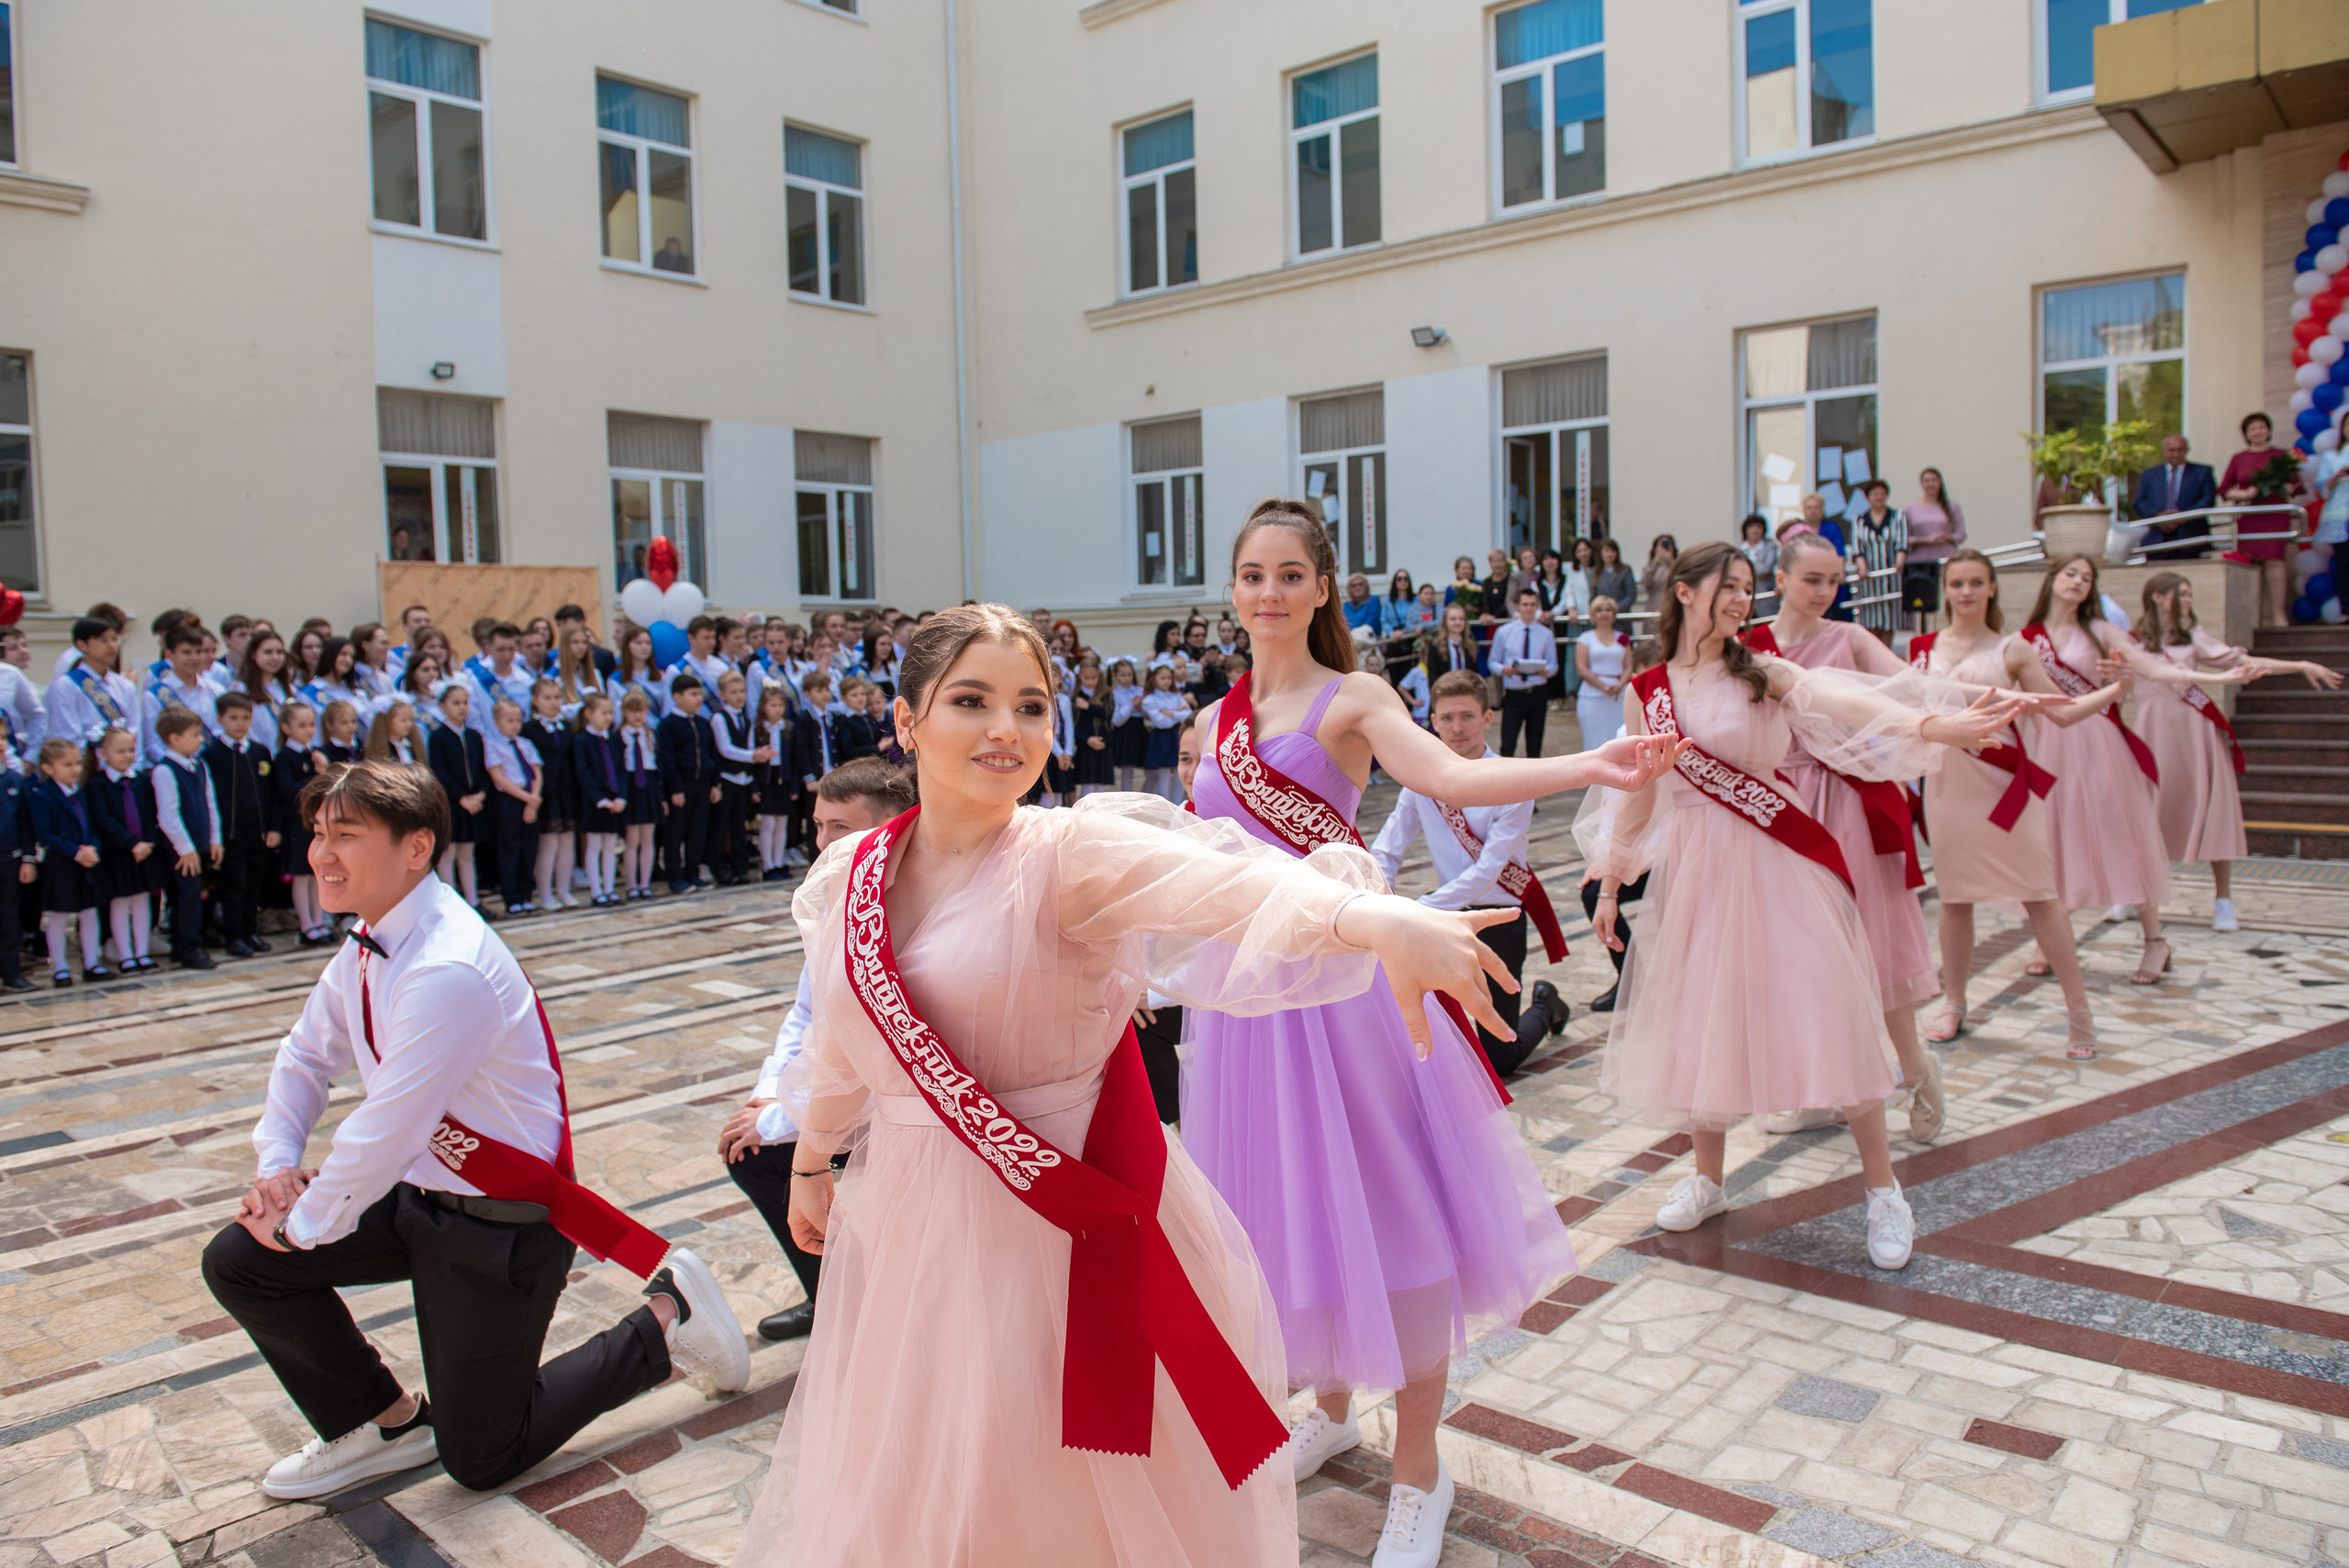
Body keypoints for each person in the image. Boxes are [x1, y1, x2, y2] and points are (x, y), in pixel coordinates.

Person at [737, 605, 1527, 1568]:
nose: (1006, 729)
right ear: (905, 722)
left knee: (1060, 1491)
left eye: (1031, 706)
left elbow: (1235, 888)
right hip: (916, 1224)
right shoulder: (846, 878)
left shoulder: (1067, 852)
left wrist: (1371, 919)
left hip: (1064, 1222)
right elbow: (844, 1048)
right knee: (935, 1474)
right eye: (972, 700)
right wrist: (813, 1161)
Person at [1184, 500, 1677, 1565]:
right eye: (1248, 573)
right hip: (1240, 1008)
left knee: (1389, 1217)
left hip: (1341, 995)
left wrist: (1587, 768)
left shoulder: (1351, 696)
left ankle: (1419, 1471)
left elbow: (1452, 776)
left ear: (1321, 589)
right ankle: (1326, 1404)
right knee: (1283, 1215)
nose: (1265, 592)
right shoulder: (1216, 715)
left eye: (1286, 574)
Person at [200, 762, 748, 1502]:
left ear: (416, 847)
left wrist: (302, 1224)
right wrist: (277, 1166)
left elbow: (387, 1126)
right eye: (319, 834)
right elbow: (306, 1053)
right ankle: (385, 1423)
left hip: (497, 1227)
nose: (321, 854)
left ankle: (663, 1318)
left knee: (483, 1455)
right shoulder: (374, 938)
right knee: (240, 1260)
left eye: (346, 835)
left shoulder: (446, 964)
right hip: (415, 1199)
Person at [1582, 542, 2026, 1267]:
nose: (1739, 599)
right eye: (1728, 586)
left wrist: (1929, 723)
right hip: (1697, 872)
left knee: (1828, 1012)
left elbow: (1847, 700)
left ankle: (1884, 1191)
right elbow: (1640, 790)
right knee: (1706, 1020)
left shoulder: (1761, 671)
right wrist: (1610, 882)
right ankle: (1706, 1179)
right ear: (1686, 592)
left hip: (1777, 860)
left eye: (1748, 588)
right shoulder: (1649, 689)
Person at [1743, 535, 1953, 1142]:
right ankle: (1821, 1087)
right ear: (1779, 579)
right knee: (1801, 956)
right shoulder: (1746, 647)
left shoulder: (1852, 639)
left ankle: (1915, 1069)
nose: (1824, 591)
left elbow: (1915, 694)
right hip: (1781, 809)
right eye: (1812, 578)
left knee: (1874, 946)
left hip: (1849, 804)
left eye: (1834, 580)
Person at [717, 757, 915, 1345]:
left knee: (762, 1151)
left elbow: (867, 1057)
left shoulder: (902, 913)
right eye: (819, 826)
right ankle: (827, 1292)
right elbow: (805, 1014)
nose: (823, 843)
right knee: (750, 1153)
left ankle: (866, 1303)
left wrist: (777, 1120)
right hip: (831, 1099)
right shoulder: (836, 895)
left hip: (893, 1110)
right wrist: (765, 1096)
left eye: (840, 829)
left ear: (889, 829)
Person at [1912, 550, 2116, 1059]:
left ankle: (2080, 1015)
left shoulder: (2015, 649)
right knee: (1954, 899)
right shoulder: (1920, 649)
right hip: (1947, 790)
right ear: (1946, 588)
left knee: (2040, 896)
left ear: (1992, 588)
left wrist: (2117, 689)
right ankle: (1953, 1003)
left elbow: (2061, 714)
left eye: (1976, 582)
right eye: (1957, 583)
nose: (1965, 592)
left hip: (2006, 791)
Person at [1369, 669, 1571, 1078]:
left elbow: (1487, 872)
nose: (1456, 728)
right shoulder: (1420, 779)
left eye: (1466, 716)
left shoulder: (1513, 780)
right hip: (1446, 916)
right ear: (1433, 721)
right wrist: (1377, 892)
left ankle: (1546, 1006)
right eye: (1446, 718)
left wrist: (1420, 908)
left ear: (1487, 718)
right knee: (1427, 1029)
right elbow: (1389, 846)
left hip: (1498, 915)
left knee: (1500, 1058)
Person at [2132, 572, 2340, 931]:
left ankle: (2223, 899)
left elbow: (2241, 663)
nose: (2188, 600)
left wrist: (2300, 665)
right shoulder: (2131, 643)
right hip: (2151, 735)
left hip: (2194, 735)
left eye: (2191, 594)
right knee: (2141, 812)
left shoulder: (2193, 637)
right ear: (2158, 597)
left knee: (2214, 813)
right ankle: (2131, 891)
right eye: (2181, 594)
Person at [2020, 555, 2188, 988]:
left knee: (2122, 836)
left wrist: (2219, 676)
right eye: (2070, 573)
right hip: (2049, 746)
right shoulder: (2027, 638)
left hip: (2099, 745)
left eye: (2086, 577)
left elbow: (2150, 666)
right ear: (2052, 579)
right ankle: (2050, 939)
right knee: (2051, 839)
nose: (2077, 581)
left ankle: (2155, 940)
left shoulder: (2099, 630)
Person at [205, 693, 278, 957]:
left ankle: (250, 932)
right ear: (220, 719)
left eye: (246, 717)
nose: (240, 723)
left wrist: (273, 827)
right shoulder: (212, 754)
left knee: (254, 885)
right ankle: (234, 936)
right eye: (233, 718)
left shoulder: (259, 752)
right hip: (230, 834)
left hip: (257, 831)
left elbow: (271, 793)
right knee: (234, 886)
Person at [149, 711, 222, 972]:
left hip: (200, 844)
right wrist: (185, 849)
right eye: (194, 735)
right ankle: (188, 947)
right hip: (181, 849)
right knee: (186, 897)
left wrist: (215, 839)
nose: (201, 740)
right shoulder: (164, 771)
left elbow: (210, 803)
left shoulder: (200, 765)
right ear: (174, 739)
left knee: (199, 895)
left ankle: (187, 944)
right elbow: (168, 815)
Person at [88, 727, 163, 976]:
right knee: (120, 904)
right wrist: (131, 843)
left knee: (142, 902)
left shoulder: (142, 780)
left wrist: (148, 843)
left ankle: (142, 952)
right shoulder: (98, 784)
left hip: (144, 851)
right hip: (118, 853)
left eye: (131, 749)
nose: (127, 755)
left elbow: (153, 813)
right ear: (103, 753)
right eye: (120, 751)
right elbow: (104, 819)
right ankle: (125, 955)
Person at [2219, 413, 2305, 626]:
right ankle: (2253, 618)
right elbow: (2224, 489)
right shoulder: (2239, 458)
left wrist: (2286, 487)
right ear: (2246, 434)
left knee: (2275, 561)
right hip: (2249, 516)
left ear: (2269, 429)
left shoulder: (2282, 456)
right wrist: (2245, 493)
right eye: (2252, 429)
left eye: (2261, 427)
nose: (2257, 432)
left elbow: (2299, 486)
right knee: (2250, 564)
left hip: (2275, 515)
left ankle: (2278, 615)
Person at [427, 684, 488, 909]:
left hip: (472, 803)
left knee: (467, 853)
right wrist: (461, 797)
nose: (462, 707)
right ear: (443, 706)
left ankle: (472, 901)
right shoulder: (439, 737)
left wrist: (480, 794)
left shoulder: (473, 736)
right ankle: (450, 904)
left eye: (465, 702)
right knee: (448, 853)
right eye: (456, 703)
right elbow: (440, 771)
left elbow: (481, 768)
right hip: (453, 803)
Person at [277, 702, 335, 946]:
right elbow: (287, 790)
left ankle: (319, 920)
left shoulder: (313, 755)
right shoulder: (284, 756)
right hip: (296, 825)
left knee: (316, 873)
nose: (308, 730)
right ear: (286, 727)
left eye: (311, 724)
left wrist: (324, 770)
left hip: (315, 823)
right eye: (301, 725)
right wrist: (317, 777)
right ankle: (306, 925)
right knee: (302, 875)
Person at [659, 673, 720, 893]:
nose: (698, 699)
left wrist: (715, 784)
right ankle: (675, 876)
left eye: (700, 694)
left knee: (697, 831)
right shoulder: (668, 725)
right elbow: (668, 759)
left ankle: (693, 873)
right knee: (676, 833)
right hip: (681, 786)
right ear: (677, 696)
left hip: (702, 784)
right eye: (693, 694)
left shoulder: (703, 723)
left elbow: (711, 754)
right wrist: (674, 788)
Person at [1489, 585, 1560, 757]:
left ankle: (1533, 783)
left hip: (1537, 693)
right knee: (1507, 744)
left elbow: (1554, 664)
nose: (1529, 608)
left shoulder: (1546, 634)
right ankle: (1505, 783)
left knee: (1534, 746)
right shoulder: (1504, 632)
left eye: (1532, 605)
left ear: (1537, 607)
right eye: (1525, 604)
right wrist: (1504, 669)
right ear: (1518, 606)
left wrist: (1547, 671)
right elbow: (1492, 661)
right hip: (1514, 693)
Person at [48, 617, 141, 748]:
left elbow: (135, 732)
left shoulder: (125, 686)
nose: (112, 646)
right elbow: (69, 735)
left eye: (114, 639)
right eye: (103, 640)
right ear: (82, 645)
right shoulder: (66, 685)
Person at [144, 621, 224, 765]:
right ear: (169, 655)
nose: (194, 658)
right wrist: (181, 766)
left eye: (198, 652)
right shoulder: (154, 695)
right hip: (175, 770)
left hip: (215, 766)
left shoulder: (216, 690)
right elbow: (152, 745)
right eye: (186, 652)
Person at [2130, 432, 2217, 561]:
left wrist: (2184, 516)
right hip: (2157, 538)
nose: (2176, 454)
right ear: (2164, 451)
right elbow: (2139, 503)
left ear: (2187, 450)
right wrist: (2158, 517)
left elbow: (2208, 500)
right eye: (2172, 450)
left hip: (2190, 537)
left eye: (2180, 450)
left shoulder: (2202, 472)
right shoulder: (2150, 474)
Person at [616, 691, 663, 900]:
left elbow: (658, 766)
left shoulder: (651, 734)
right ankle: (632, 884)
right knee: (632, 838)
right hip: (631, 786)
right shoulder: (618, 736)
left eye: (641, 711)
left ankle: (645, 883)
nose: (637, 716)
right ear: (624, 713)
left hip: (649, 785)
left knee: (648, 838)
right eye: (633, 712)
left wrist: (661, 796)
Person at [1847, 479, 1908, 640]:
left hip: (1890, 575)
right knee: (1870, 620)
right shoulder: (1859, 519)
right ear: (1868, 497)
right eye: (1875, 494)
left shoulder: (1897, 516)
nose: (1879, 497)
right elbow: (1857, 546)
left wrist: (1899, 562)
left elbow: (1902, 542)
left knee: (1889, 620)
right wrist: (1862, 566)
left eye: (1882, 494)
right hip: (1869, 577)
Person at [0, 729, 33, 992]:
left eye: (2, 736)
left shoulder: (14, 780)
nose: (1, 743)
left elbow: (24, 823)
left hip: (9, 861)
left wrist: (28, 859)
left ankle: (11, 972)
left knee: (9, 918)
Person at [1575, 595, 1631, 746]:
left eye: (1608, 610)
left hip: (1619, 695)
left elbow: (1629, 667)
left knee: (1618, 739)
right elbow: (1582, 668)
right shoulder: (1585, 639)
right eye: (1599, 610)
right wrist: (1603, 687)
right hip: (1592, 695)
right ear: (1593, 615)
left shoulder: (1623, 638)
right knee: (1594, 741)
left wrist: (1619, 685)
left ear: (1614, 614)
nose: (1604, 614)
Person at [1140, 661, 1192, 801]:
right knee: (1163, 775)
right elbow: (1160, 722)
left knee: (1178, 773)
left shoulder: (1176, 696)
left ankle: (1177, 807)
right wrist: (1177, 713)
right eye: (1162, 678)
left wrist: (1171, 713)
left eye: (1169, 678)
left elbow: (1188, 715)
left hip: (1177, 736)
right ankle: (1166, 808)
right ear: (1153, 679)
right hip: (1161, 738)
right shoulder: (1149, 699)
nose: (1166, 681)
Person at [1639, 535, 1679, 622]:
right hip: (1653, 607)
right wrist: (1656, 561)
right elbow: (1645, 583)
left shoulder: (1677, 566)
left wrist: (1671, 562)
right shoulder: (1650, 567)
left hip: (1672, 607)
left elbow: (1680, 579)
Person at [1592, 536, 1637, 615]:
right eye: (1606, 551)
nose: (1609, 554)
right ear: (1601, 553)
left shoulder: (1625, 570)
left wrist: (1614, 609)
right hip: (1602, 618)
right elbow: (1593, 596)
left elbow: (1631, 595)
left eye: (1613, 551)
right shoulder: (1596, 572)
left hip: (1621, 617)